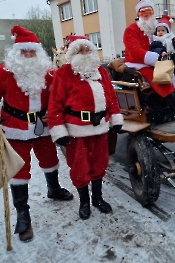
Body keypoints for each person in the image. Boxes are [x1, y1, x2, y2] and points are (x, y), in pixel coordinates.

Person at [0, 25, 73, 243]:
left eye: (32, 52)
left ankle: (54, 189)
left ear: (39, 53)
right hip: (14, 128)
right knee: (19, 169)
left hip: (44, 127)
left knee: (50, 160)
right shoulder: (3, 72)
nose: (28, 56)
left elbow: (63, 96)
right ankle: (23, 214)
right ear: (16, 53)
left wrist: (56, 113)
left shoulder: (50, 73)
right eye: (24, 52)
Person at [47, 35, 123, 220]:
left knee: (99, 164)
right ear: (72, 53)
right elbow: (55, 104)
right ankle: (84, 202)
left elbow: (111, 97)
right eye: (80, 50)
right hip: (77, 131)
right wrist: (58, 130)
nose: (84, 53)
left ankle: (97, 198)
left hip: (101, 128)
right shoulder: (64, 73)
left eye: (87, 50)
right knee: (80, 167)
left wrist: (116, 118)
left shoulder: (101, 72)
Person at [123, 0, 175, 127]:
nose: (146, 14)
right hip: (139, 63)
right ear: (138, 14)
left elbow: (167, 44)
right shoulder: (131, 30)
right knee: (158, 77)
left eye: (149, 11)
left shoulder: (156, 29)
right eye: (143, 12)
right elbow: (135, 52)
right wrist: (157, 58)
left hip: (160, 60)